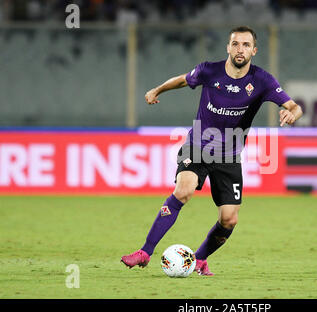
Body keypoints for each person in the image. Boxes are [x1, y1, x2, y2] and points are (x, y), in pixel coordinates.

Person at [121, 26, 303, 276]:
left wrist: (291, 113)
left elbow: (294, 105)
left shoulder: (262, 80)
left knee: (229, 219)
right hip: (198, 146)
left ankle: (200, 259)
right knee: (183, 190)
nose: (240, 49)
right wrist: (157, 90)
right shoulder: (209, 70)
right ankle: (144, 252)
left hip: (229, 155)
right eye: (236, 44)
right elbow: (183, 80)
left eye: (246, 45)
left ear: (254, 50)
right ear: (228, 48)